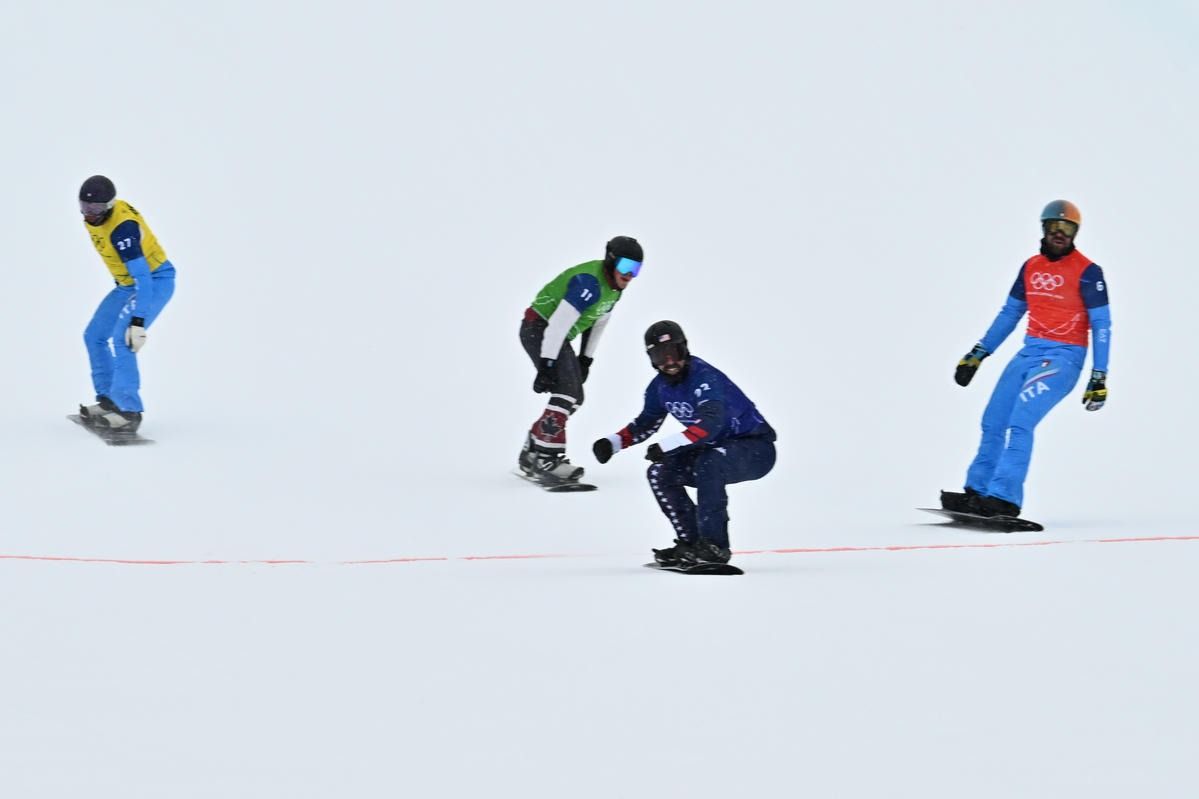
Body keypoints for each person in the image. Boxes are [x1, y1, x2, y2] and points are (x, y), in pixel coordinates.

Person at [942, 200, 1111, 518]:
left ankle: (1005, 498)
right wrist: (978, 353)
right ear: (1043, 228)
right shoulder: (1030, 267)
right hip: (1029, 353)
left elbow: (1102, 324)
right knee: (993, 420)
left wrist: (1099, 375)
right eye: (1054, 226)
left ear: (1075, 233)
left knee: (1021, 421)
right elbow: (1010, 313)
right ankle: (978, 492)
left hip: (1064, 358)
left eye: (1067, 228)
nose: (1060, 233)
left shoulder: (1089, 272)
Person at [592, 321, 777, 566]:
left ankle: (714, 546)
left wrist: (668, 446)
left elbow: (710, 425)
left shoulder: (705, 379)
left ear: (685, 349)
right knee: (660, 472)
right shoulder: (659, 388)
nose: (669, 362)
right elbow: (646, 423)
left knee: (709, 463)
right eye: (660, 356)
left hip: (756, 448)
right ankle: (691, 542)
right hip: (714, 448)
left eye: (674, 352)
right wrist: (613, 443)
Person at [518, 236, 642, 483]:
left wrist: (586, 359)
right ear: (611, 261)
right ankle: (546, 457)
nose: (630, 275)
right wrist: (547, 364)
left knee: (576, 397)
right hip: (539, 328)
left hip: (555, 335)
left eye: (637, 269)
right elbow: (557, 324)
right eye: (626, 266)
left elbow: (599, 322)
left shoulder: (614, 291)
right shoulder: (589, 283)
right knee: (566, 391)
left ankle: (534, 446)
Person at [77, 175, 177, 432]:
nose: (89, 214)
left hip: (154, 281)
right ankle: (109, 400)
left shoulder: (123, 230)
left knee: (124, 338)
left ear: (109, 206)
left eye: (96, 208)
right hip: (127, 284)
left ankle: (129, 411)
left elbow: (144, 278)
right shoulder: (95, 218)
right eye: (85, 207)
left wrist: (138, 321)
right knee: (94, 336)